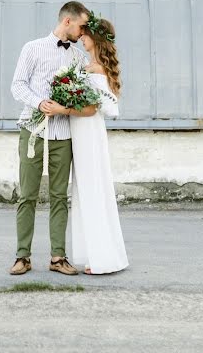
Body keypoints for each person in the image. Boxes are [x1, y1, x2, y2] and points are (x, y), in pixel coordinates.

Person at [8, 1, 96, 276]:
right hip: (33, 131)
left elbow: (87, 94)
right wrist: (39, 103)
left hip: (64, 134)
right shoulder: (32, 48)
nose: (83, 32)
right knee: (27, 195)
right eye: (82, 26)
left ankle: (58, 257)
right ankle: (23, 256)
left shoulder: (80, 59)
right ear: (67, 21)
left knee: (60, 196)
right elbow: (17, 85)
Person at [67, 14, 128, 275]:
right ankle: (95, 253)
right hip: (82, 134)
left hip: (89, 133)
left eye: (84, 35)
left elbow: (102, 107)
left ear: (96, 37)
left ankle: (103, 258)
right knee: (87, 192)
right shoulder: (89, 66)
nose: (81, 38)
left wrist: (65, 103)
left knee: (93, 192)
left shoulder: (97, 70)